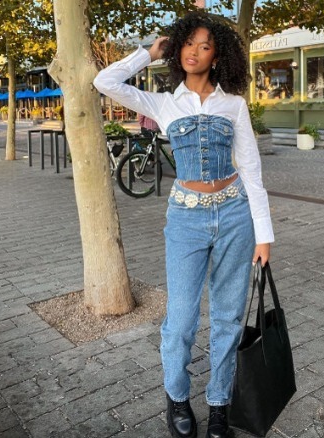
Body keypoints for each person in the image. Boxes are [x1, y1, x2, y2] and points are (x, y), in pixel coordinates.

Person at [94, 11, 273, 438]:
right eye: (188, 43)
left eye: (204, 46)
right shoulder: (163, 102)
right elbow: (105, 81)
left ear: (217, 56)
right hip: (186, 219)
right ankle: (177, 396)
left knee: (228, 317)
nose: (194, 51)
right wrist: (148, 53)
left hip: (235, 216)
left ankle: (219, 404)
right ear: (178, 49)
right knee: (180, 319)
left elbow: (251, 169)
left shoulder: (233, 104)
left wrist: (264, 234)